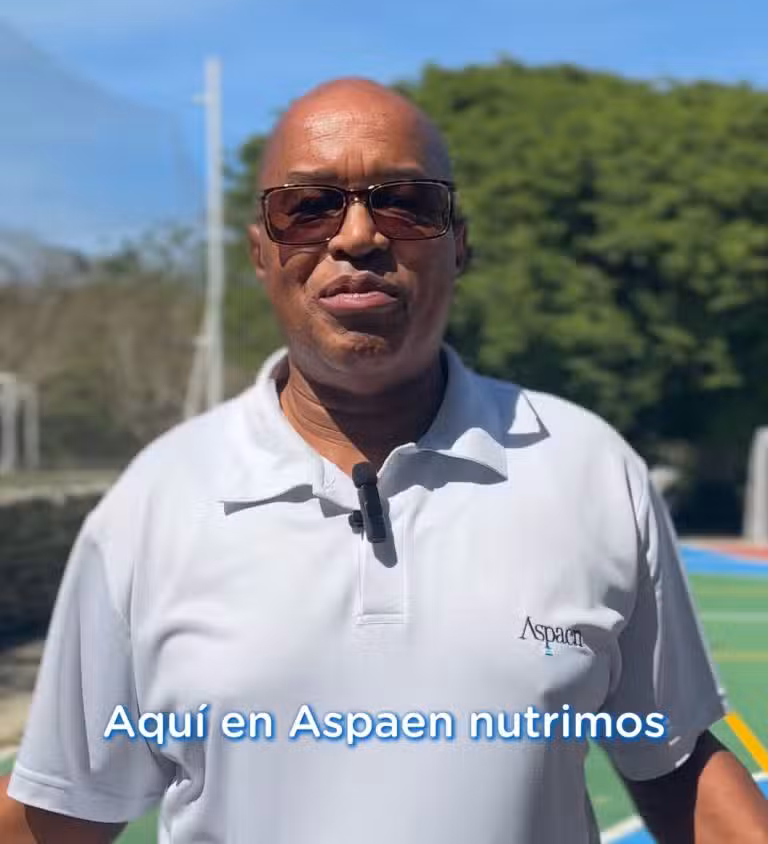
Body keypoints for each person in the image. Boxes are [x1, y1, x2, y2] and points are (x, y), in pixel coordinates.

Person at [6, 78, 768, 843]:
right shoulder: (155, 500)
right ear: (261, 253)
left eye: (405, 202)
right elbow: (64, 804)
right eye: (309, 207)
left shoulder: (589, 469)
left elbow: (672, 762)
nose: (359, 236)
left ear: (458, 244)